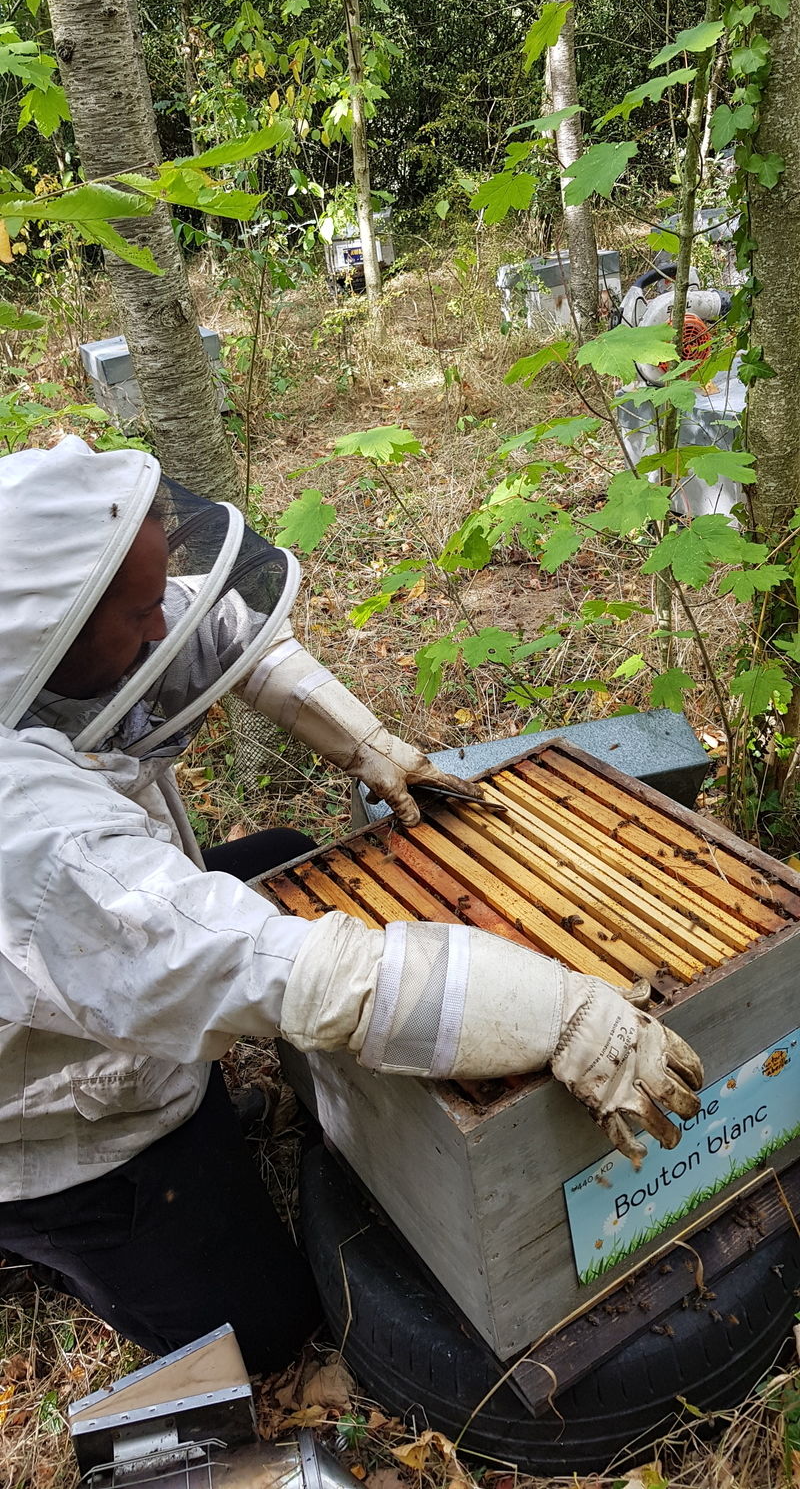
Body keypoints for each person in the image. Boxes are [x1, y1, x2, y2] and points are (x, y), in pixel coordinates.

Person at [0, 437, 703, 1372]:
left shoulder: (54, 650)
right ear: (55, 635)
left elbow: (225, 641)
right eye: (139, 611)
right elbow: (286, 970)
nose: (164, 615)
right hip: (60, 1126)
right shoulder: (37, 840)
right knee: (265, 1329)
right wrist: (564, 1011)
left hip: (102, 972)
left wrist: (369, 743)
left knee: (292, 863)